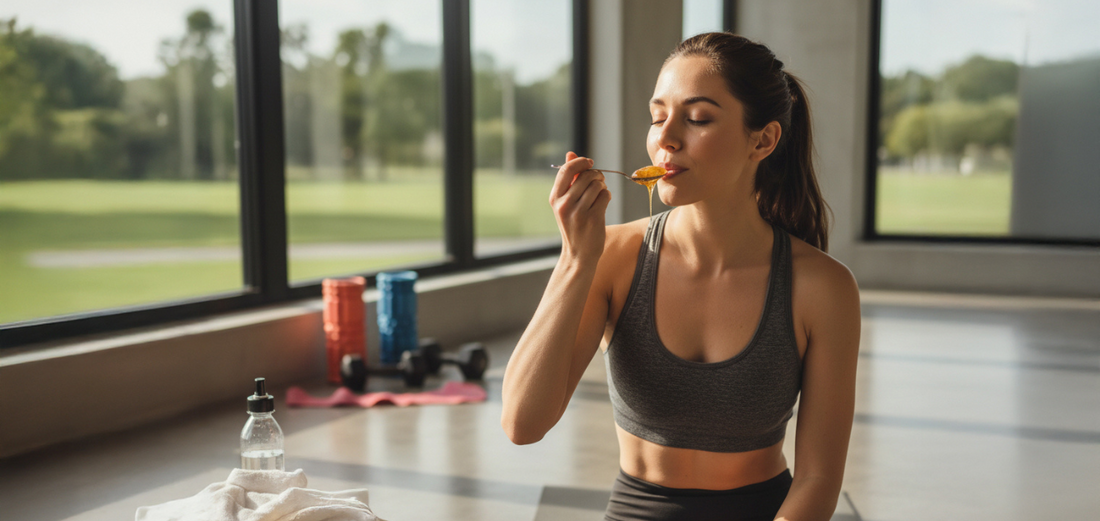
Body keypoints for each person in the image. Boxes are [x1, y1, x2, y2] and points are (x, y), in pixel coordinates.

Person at [500, 32, 860, 521]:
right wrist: (575, 260)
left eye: (697, 118)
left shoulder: (824, 288)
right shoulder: (613, 259)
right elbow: (522, 424)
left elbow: (818, 479)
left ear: (764, 139)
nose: (665, 138)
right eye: (657, 116)